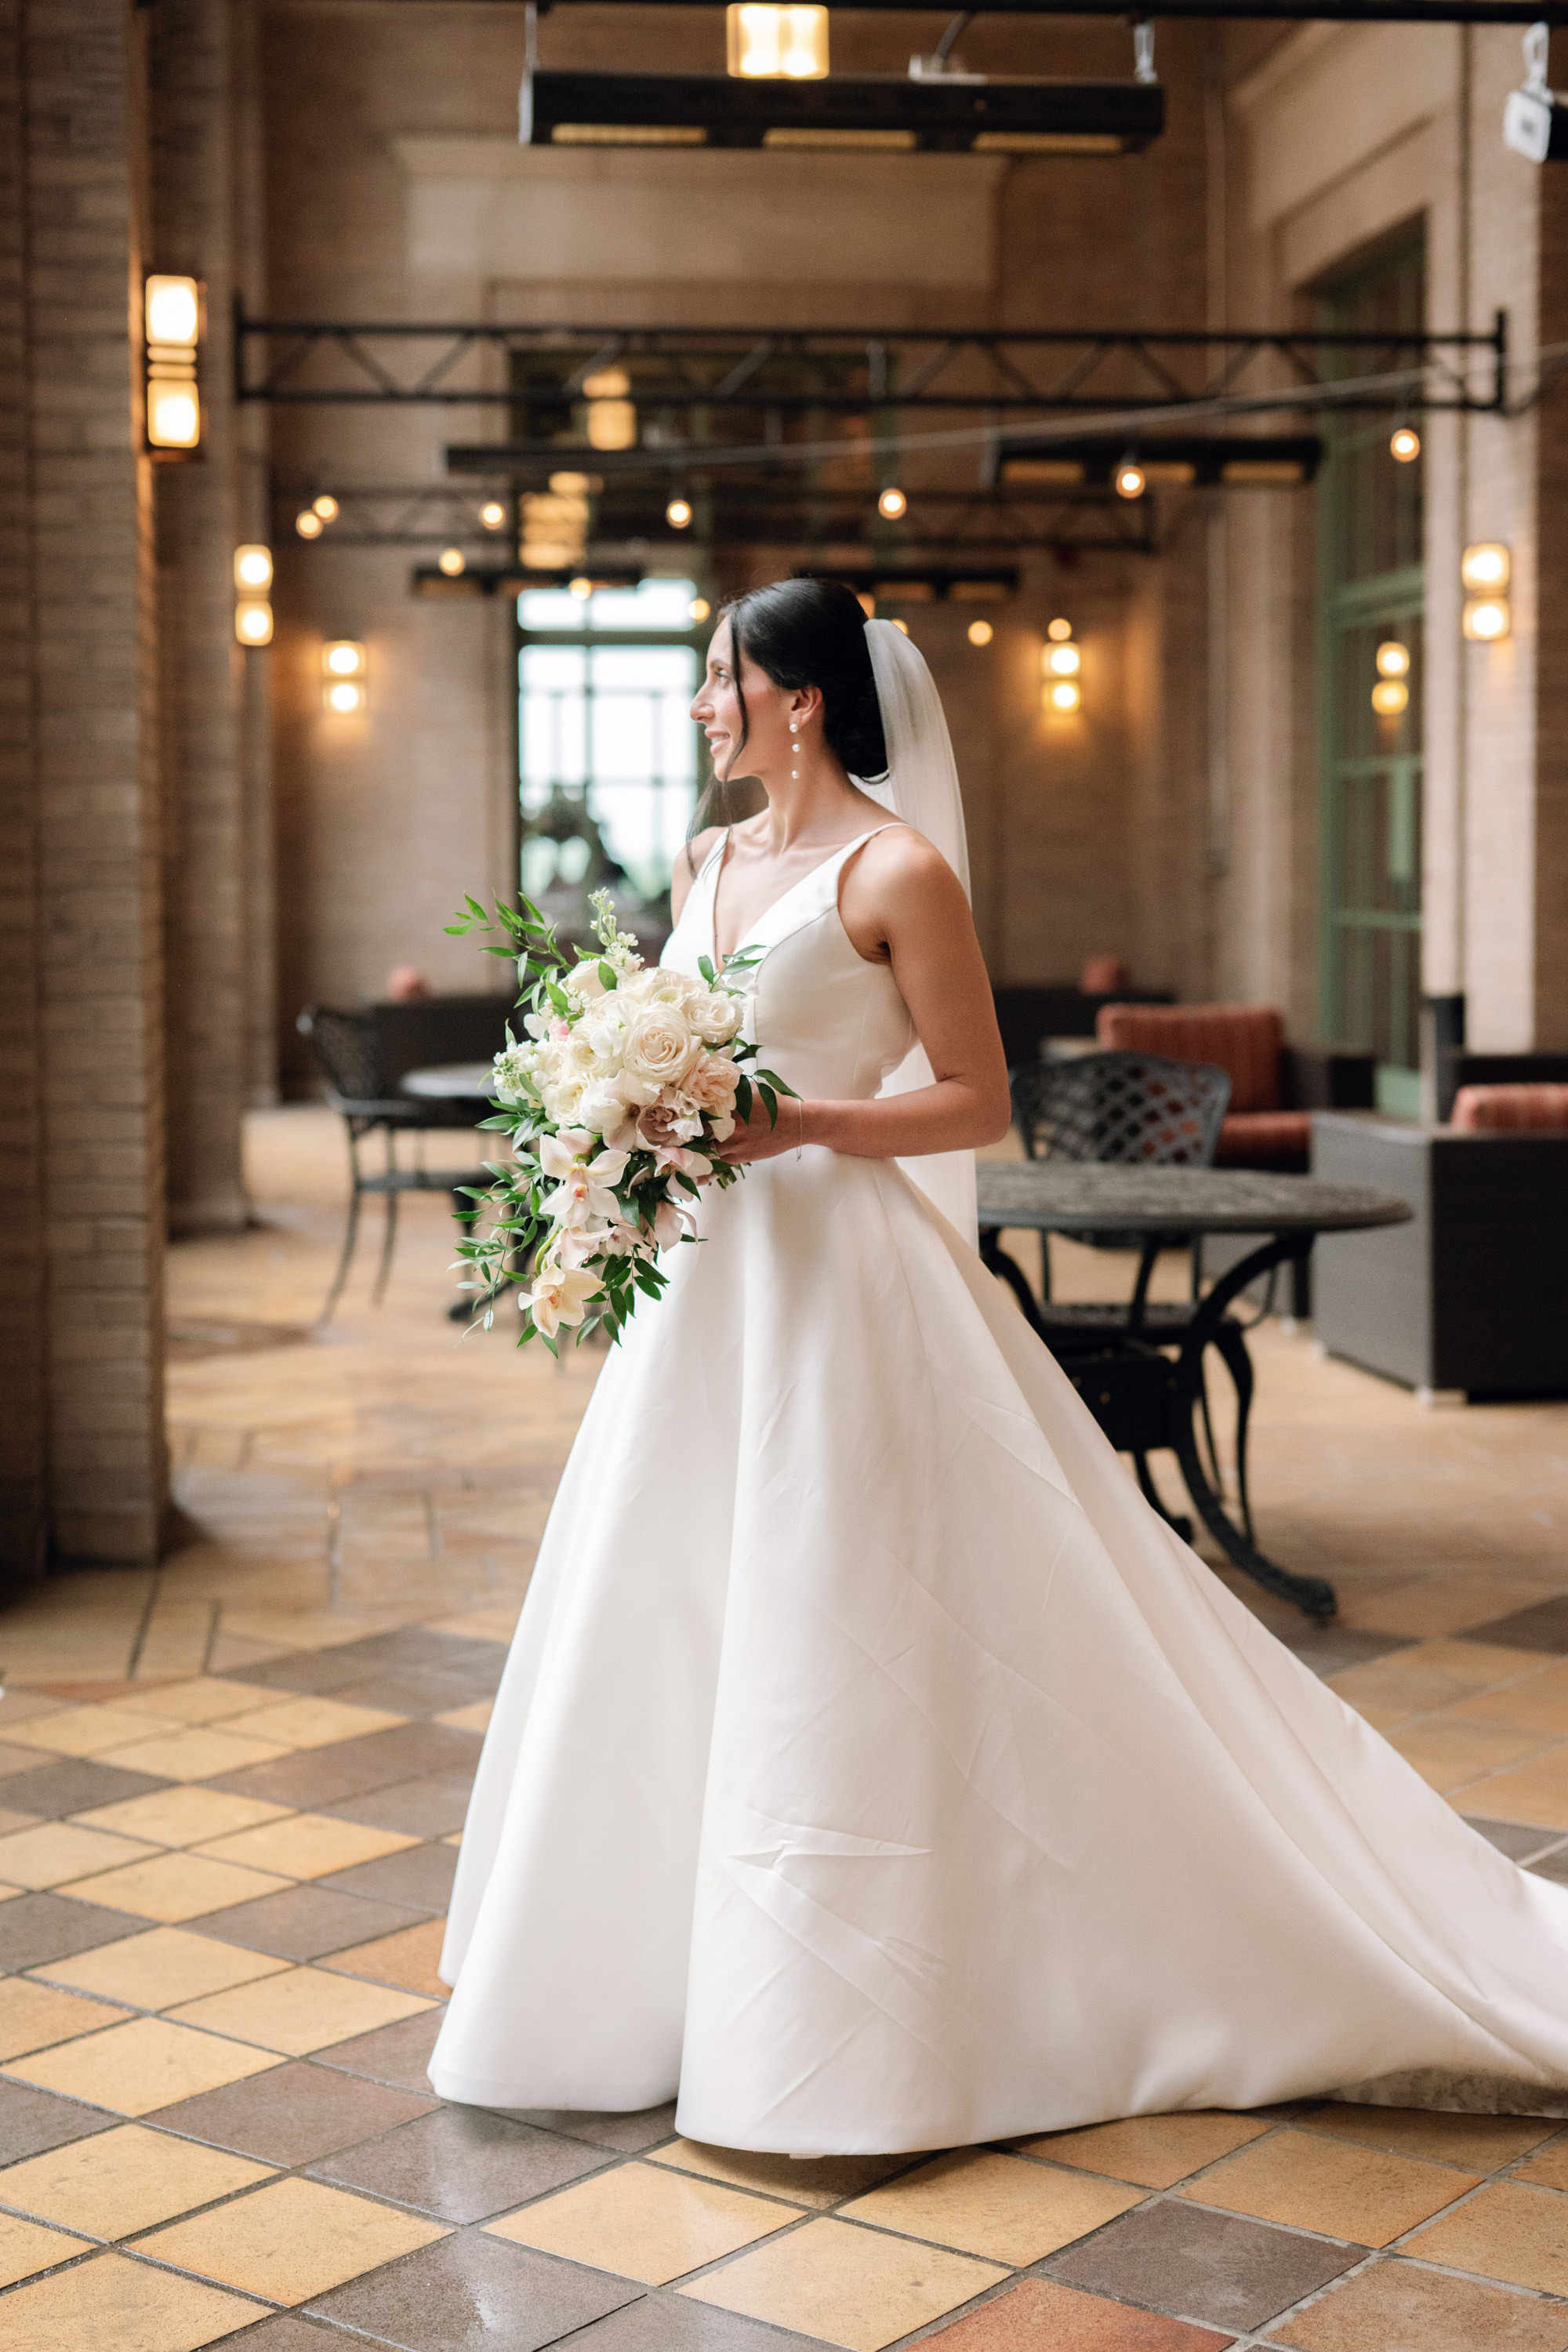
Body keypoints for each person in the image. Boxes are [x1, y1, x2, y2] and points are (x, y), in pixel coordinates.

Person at [429, 577, 1568, 2152]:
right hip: (707, 1288)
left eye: (718, 680)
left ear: (800, 698)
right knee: (672, 1590)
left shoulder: (897, 870)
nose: (701, 707)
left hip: (842, 1278)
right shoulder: (702, 860)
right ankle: (640, 1985)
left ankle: (876, 2000)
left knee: (844, 1601)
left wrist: (805, 1122)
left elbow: (971, 1101)